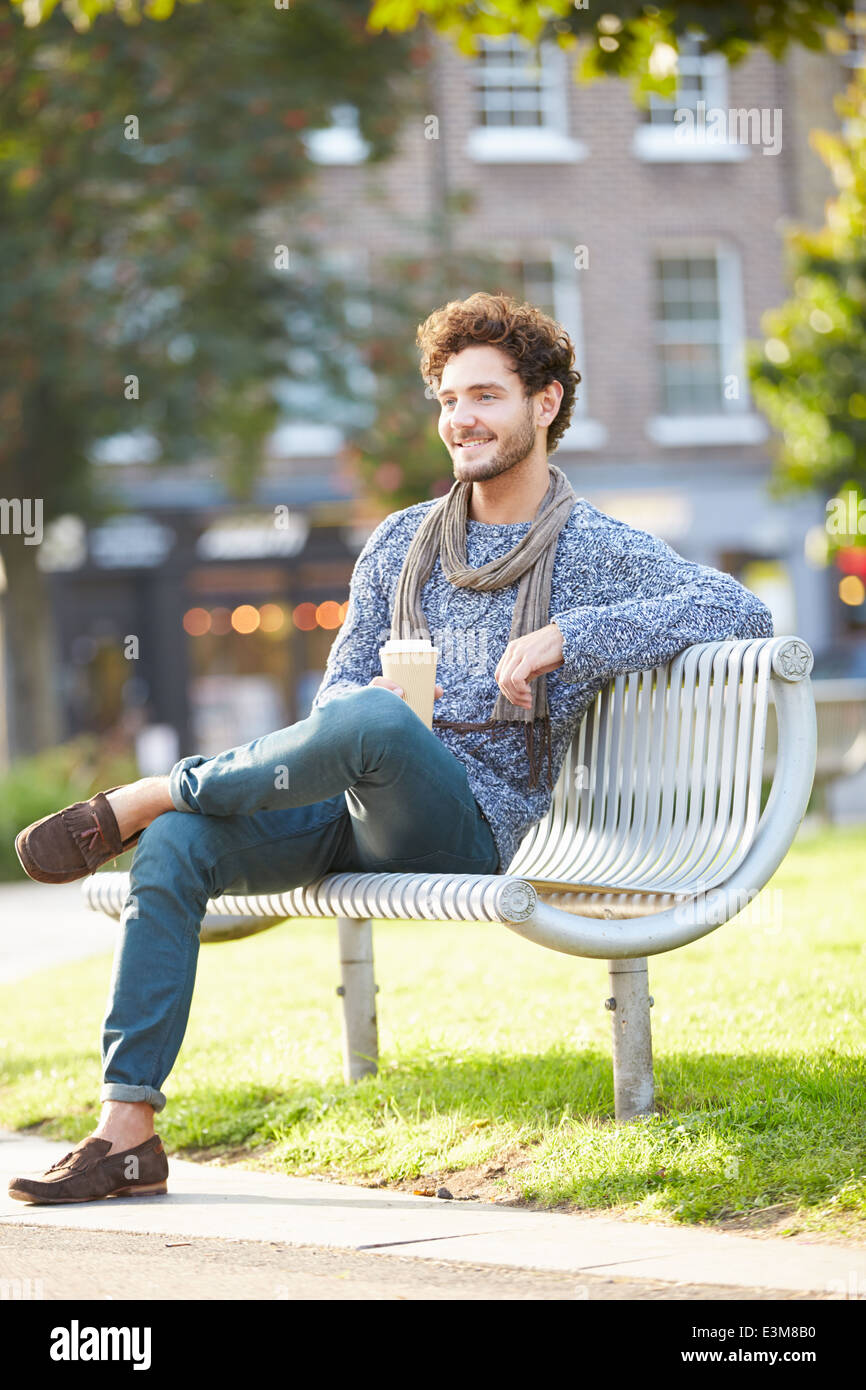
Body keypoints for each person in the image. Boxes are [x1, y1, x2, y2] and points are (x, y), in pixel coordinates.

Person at [9, 292, 774, 1204]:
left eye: (485, 397)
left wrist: (571, 635)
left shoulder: (598, 550)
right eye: (449, 400)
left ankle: (147, 796)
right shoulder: (402, 541)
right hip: (348, 803)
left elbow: (739, 608)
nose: (461, 419)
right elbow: (338, 692)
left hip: (472, 821)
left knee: (360, 734)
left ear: (547, 403)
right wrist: (358, 703)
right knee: (183, 846)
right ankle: (126, 1133)